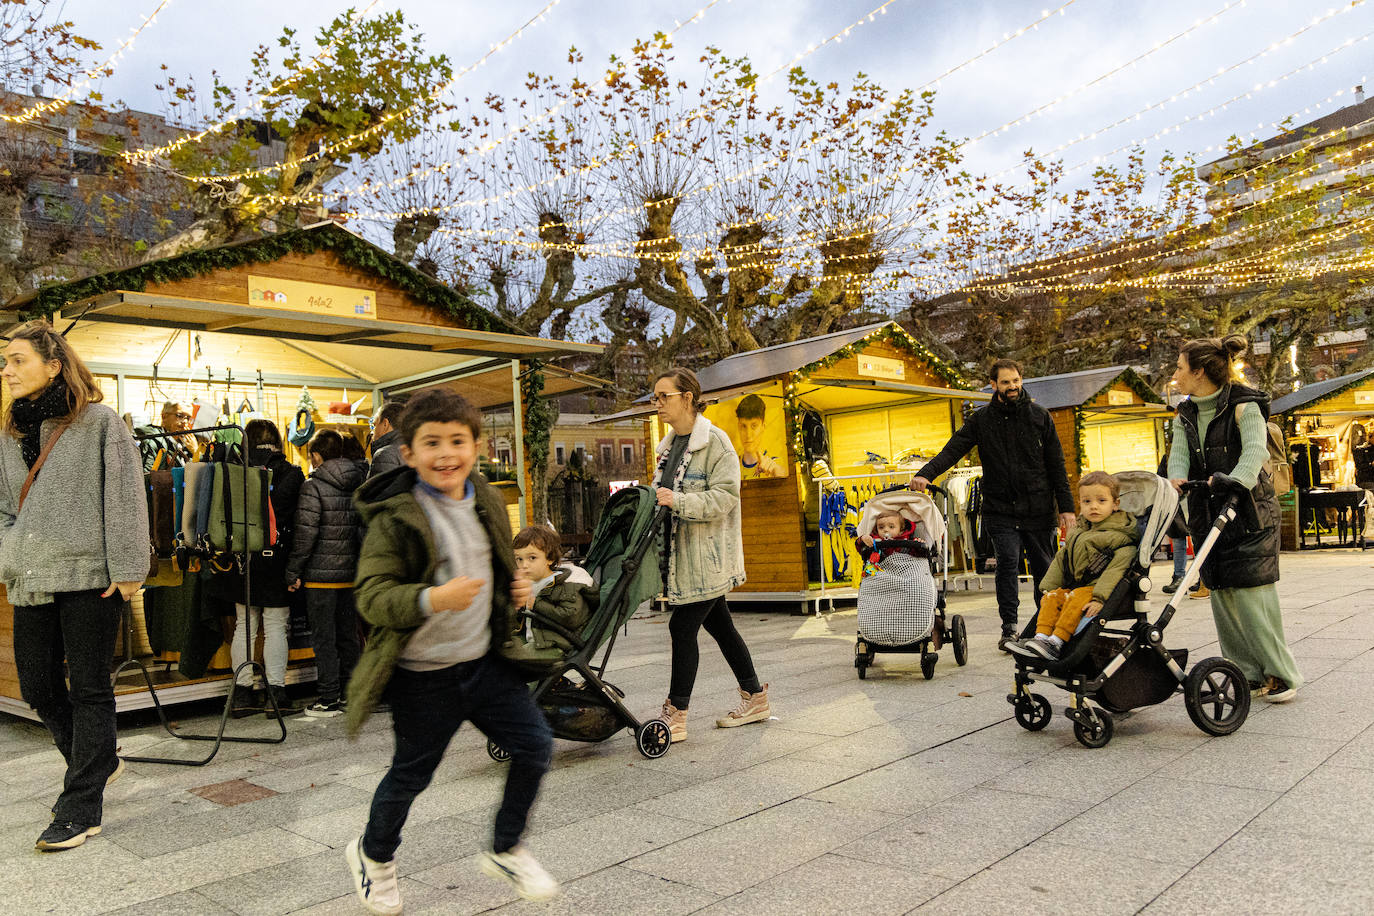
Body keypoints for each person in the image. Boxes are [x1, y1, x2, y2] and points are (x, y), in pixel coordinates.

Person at [344, 387, 557, 913]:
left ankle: (506, 847)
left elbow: (495, 562)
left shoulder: (485, 495)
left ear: (478, 447)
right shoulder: (395, 517)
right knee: (411, 775)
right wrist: (432, 597)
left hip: (484, 664)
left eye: (457, 441)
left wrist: (517, 587)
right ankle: (373, 856)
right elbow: (371, 597)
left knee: (535, 745)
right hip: (425, 676)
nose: (446, 454)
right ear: (409, 452)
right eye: (431, 442)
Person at [0, 320, 148, 851]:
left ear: (54, 364)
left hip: (90, 575)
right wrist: (9, 554)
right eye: (6, 361)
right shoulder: (8, 433)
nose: (8, 369)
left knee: (90, 688)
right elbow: (2, 509)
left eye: (18, 360)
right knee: (38, 685)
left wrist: (129, 569)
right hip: (31, 576)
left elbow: (128, 496)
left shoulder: (100, 424)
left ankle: (80, 805)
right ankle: (100, 760)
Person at [1168, 335, 1302, 703]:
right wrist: (1175, 482)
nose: (1175, 374)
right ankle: (1246, 674)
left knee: (1253, 599)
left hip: (1249, 513)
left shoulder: (1245, 406)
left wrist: (1235, 482)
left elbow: (1255, 450)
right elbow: (1178, 457)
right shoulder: (1186, 414)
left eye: (1180, 368)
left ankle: (1283, 674)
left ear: (1199, 372)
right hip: (1208, 513)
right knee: (1224, 597)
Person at [910, 359, 1075, 651]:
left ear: (1021, 381)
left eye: (1016, 381)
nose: (1012, 387)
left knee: (1044, 571)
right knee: (1007, 566)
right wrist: (926, 473)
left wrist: (1067, 508)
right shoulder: (981, 420)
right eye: (1006, 382)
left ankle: (1044, 629)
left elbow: (1057, 465)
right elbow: (954, 449)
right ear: (994, 385)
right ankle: (1009, 629)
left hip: (1038, 508)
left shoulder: (1039, 416)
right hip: (1000, 508)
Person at [652, 368, 770, 744]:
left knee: (681, 627)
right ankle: (755, 697)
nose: (657, 405)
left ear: (687, 397)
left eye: (663, 397)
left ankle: (677, 713)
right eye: (655, 398)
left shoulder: (716, 443)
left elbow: (725, 498)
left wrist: (679, 500)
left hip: (709, 558)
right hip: (682, 556)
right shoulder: (669, 446)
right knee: (720, 625)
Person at [1009, 471, 1138, 661]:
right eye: (1087, 502)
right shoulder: (1079, 531)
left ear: (1115, 504)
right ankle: (1040, 638)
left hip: (1098, 590)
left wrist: (1100, 599)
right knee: (1052, 597)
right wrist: (1048, 587)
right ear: (1080, 503)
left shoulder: (1121, 537)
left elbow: (1115, 571)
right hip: (1077, 586)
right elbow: (1062, 558)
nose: (1093, 506)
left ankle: (1056, 642)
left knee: (1076, 596)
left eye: (1101, 501)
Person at [287, 430, 366, 718]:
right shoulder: (358, 480)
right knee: (348, 636)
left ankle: (329, 698)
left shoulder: (313, 485)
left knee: (323, 638)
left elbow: (305, 535)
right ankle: (351, 695)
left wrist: (293, 571)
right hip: (350, 574)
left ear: (317, 455)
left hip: (321, 577)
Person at [229, 419, 305, 719]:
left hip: (241, 557)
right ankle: (277, 693)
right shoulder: (291, 473)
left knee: (243, 627)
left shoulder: (236, 471)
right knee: (276, 627)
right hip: (277, 559)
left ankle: (242, 694)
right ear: (277, 440)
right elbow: (292, 517)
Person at [503, 525, 598, 662]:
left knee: (513, 664)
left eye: (532, 558)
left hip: (556, 645)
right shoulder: (528, 583)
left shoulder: (566, 584)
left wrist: (536, 604)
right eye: (519, 559)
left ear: (550, 558)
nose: (524, 565)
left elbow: (571, 616)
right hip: (535, 640)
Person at [855, 509, 930, 576]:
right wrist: (863, 539)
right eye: (881, 527)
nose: (886, 530)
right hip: (881, 574)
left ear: (900, 530)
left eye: (891, 527)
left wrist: (919, 545)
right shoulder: (874, 541)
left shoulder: (909, 541)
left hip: (906, 573)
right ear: (876, 529)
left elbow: (919, 555)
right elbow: (861, 548)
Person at [136, 400, 197, 470]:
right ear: (164, 417)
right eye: (179, 416)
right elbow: (146, 476)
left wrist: (195, 452)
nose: (185, 422)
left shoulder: (189, 445)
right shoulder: (153, 443)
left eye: (188, 418)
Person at [734, 394, 783, 478]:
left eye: (754, 426)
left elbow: (783, 472)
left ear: (763, 427)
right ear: (738, 427)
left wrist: (777, 472)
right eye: (744, 426)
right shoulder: (732, 466)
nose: (748, 434)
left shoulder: (773, 464)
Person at [367, 400, 406, 480]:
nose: (372, 432)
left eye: (374, 425)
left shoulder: (385, 453)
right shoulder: (415, 447)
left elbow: (381, 491)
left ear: (385, 424)